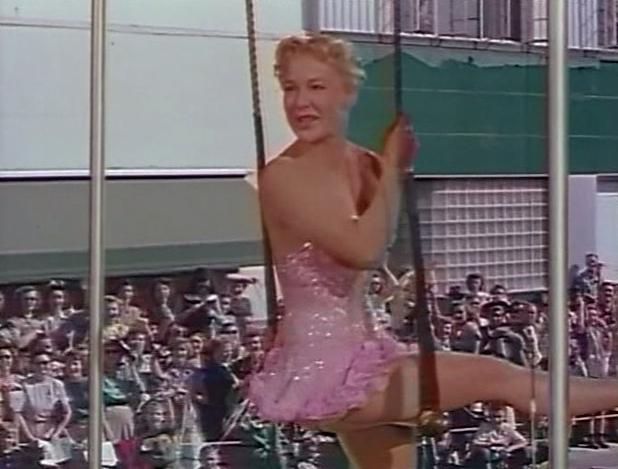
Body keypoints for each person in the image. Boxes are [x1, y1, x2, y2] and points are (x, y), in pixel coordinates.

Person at [247, 33, 618, 469]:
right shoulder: (285, 175)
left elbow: (375, 246)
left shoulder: (363, 163)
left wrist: (389, 172)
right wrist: (393, 169)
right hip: (325, 374)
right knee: (498, 376)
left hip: (364, 356)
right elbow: (363, 249)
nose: (300, 103)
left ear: (346, 92)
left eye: (315, 87)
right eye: (290, 88)